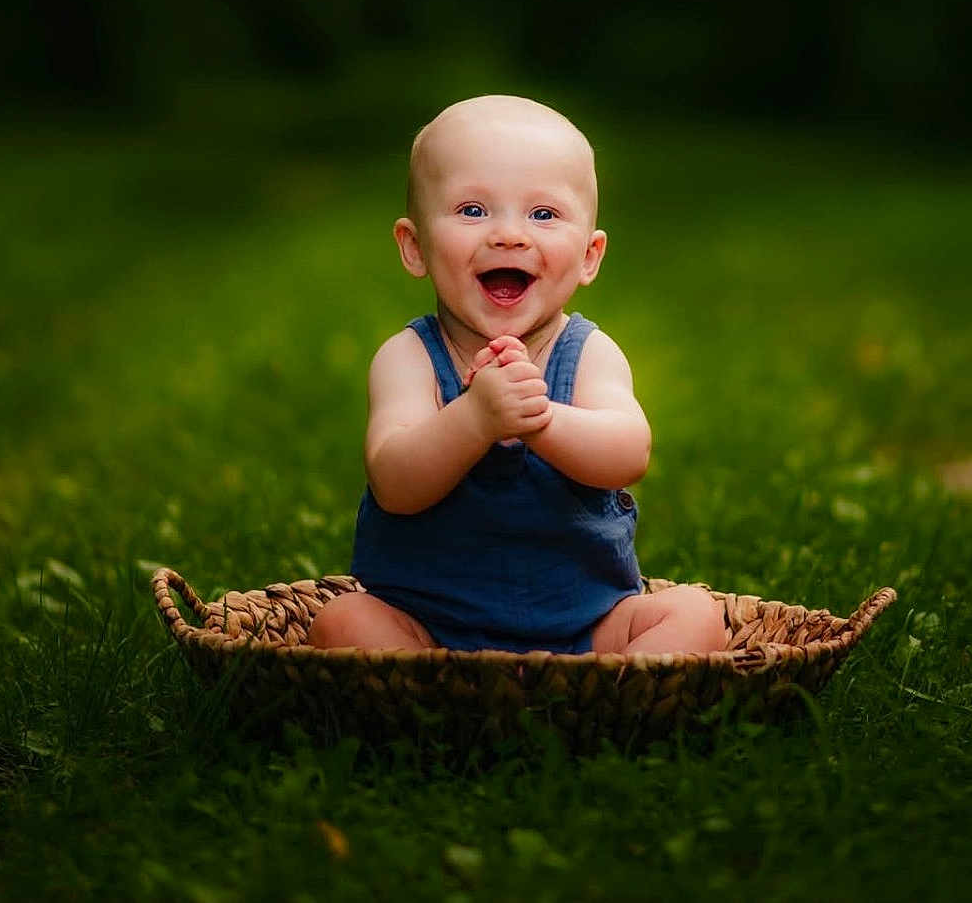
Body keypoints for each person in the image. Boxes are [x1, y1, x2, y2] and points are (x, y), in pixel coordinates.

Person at [310, 95, 725, 655]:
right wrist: (475, 418)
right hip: (429, 626)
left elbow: (629, 454)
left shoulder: (589, 353)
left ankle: (608, 701)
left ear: (588, 256)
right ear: (415, 247)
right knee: (343, 624)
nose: (509, 235)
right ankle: (438, 702)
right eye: (473, 211)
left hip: (586, 626)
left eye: (543, 215)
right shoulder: (409, 357)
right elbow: (395, 483)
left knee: (698, 616)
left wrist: (541, 420)